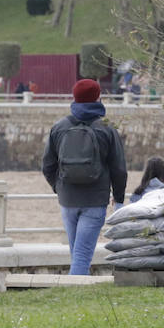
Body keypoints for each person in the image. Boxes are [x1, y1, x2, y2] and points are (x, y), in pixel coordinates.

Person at [42, 78, 127, 275]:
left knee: (78, 252)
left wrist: (59, 188)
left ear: (75, 98)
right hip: (95, 199)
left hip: (67, 199)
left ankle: (79, 292)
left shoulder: (60, 127)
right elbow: (119, 168)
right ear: (98, 97)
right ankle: (73, 296)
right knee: (82, 254)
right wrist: (119, 198)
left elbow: (47, 165)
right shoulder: (106, 128)